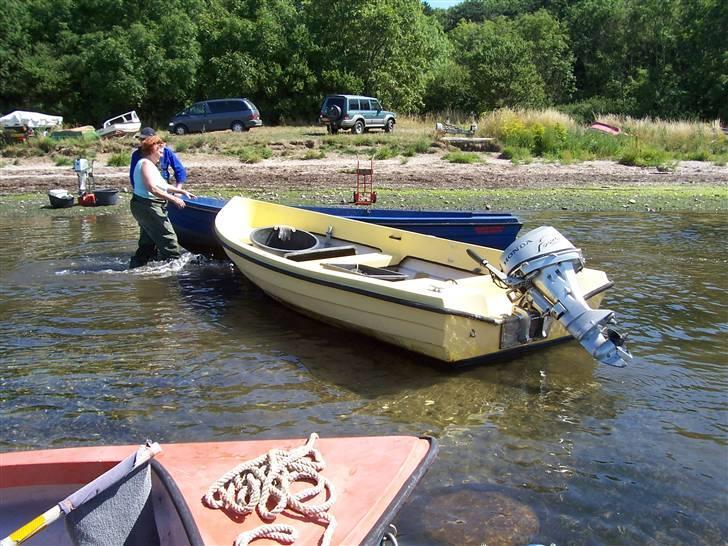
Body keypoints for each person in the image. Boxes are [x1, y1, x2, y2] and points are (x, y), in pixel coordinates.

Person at [129, 135, 196, 268]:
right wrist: (173, 199)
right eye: (160, 151)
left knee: (148, 241)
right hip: (147, 205)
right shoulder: (145, 164)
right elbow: (152, 188)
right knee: (168, 239)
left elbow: (162, 185)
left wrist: (181, 191)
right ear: (153, 149)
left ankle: (137, 267)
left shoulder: (151, 165)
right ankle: (175, 268)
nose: (162, 154)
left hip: (147, 205)